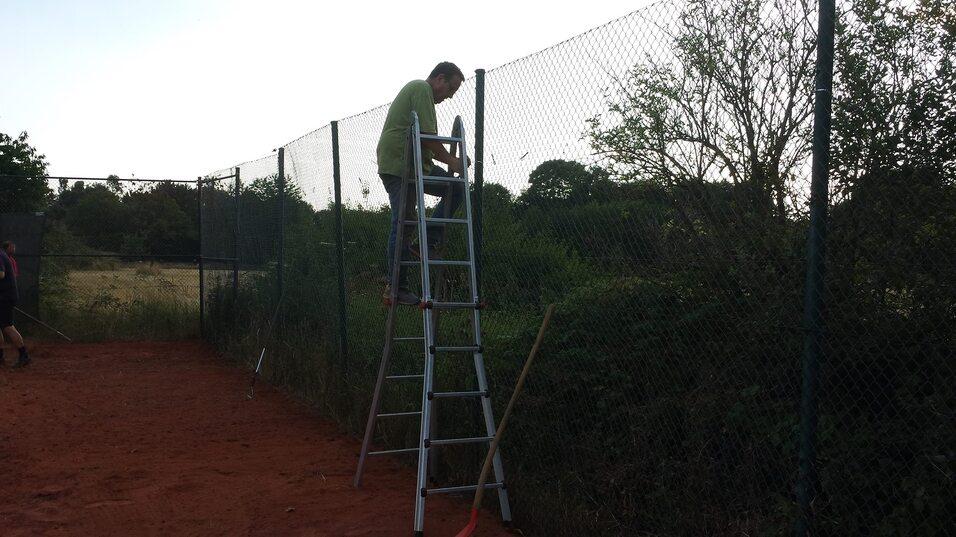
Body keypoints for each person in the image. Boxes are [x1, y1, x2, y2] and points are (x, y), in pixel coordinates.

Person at [377, 61, 470, 305]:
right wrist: (453, 161)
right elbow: (427, 137)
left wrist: (450, 162)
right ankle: (395, 287)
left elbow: (425, 140)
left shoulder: (423, 95)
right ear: (439, 79)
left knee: (455, 188)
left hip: (416, 167)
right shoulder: (421, 89)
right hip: (401, 167)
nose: (449, 96)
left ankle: (427, 240)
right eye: (451, 89)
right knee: (403, 222)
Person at [0, 244, 29, 368]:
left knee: (7, 326)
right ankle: (0, 356)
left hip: (5, 298)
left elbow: (1, 274)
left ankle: (24, 355)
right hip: (4, 296)